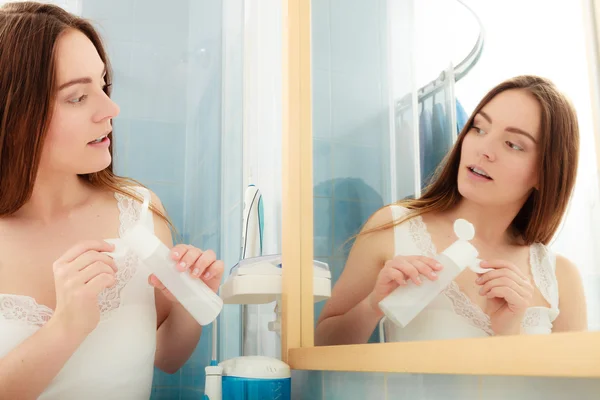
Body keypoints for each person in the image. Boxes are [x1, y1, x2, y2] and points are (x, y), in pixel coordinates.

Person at [0, 2, 224, 399]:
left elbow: (168, 356)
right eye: (77, 97)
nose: (110, 109)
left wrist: (191, 298)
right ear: (15, 114)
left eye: (103, 85)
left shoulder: (139, 211)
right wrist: (66, 327)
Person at [315, 75, 587, 346]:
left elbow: (573, 388)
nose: (484, 149)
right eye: (479, 128)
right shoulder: (394, 227)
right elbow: (320, 349)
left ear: (546, 172)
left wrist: (510, 335)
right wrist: (373, 304)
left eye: (513, 144)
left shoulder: (560, 276)